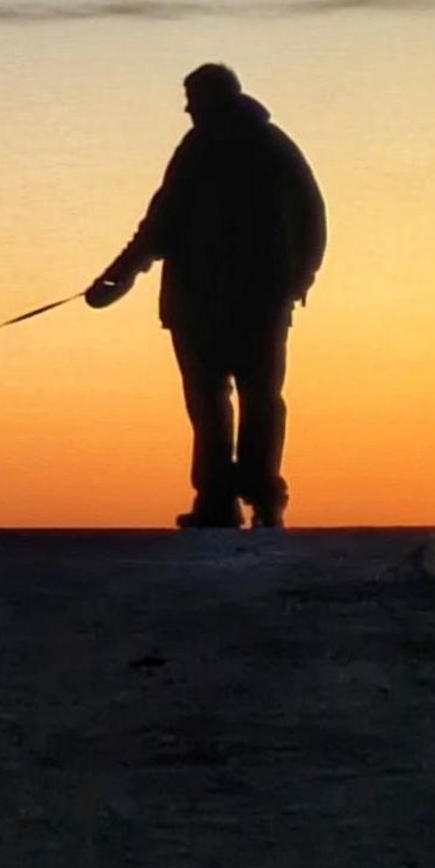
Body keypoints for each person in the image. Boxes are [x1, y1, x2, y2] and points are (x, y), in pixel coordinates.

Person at [85, 63, 327, 530]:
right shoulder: (268, 148)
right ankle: (244, 499)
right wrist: (119, 278)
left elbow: (159, 225)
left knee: (224, 400)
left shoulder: (217, 149)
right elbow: (313, 218)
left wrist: (118, 278)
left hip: (222, 302)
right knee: (244, 400)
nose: (187, 108)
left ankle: (229, 499)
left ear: (211, 98)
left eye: (192, 99)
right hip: (243, 301)